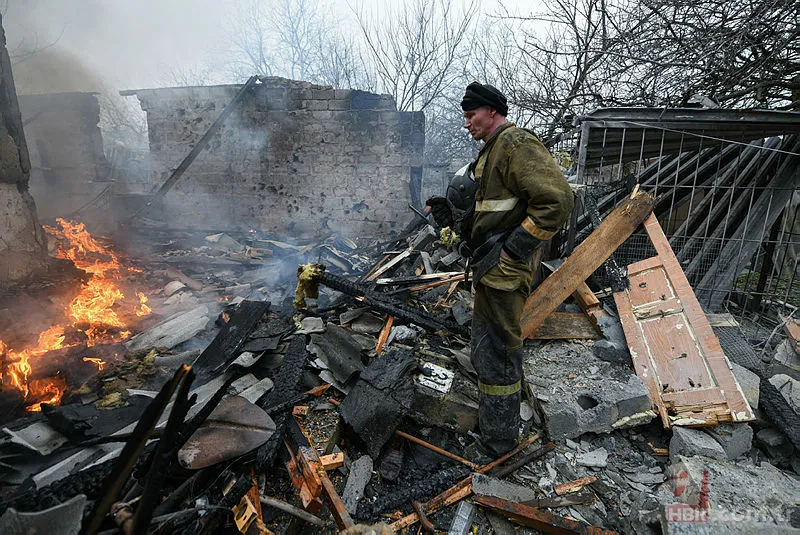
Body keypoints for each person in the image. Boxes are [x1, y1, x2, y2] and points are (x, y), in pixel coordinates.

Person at [427, 82, 574, 456]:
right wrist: (457, 219)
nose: (466, 123)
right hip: (492, 270)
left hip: (504, 271)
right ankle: (497, 430)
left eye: (470, 114)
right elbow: (495, 214)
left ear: (491, 111)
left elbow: (557, 200)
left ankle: (499, 444)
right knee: (487, 350)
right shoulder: (491, 152)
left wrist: (514, 249)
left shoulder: (514, 144)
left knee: (499, 353)